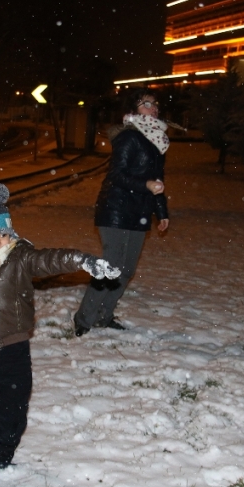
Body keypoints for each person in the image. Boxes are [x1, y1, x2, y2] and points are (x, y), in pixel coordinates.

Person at [0, 181, 120, 468]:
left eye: (3, 233)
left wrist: (83, 260)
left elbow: (51, 259)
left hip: (14, 353)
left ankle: (1, 456)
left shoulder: (20, 259)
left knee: (12, 411)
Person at [73, 88, 170, 337]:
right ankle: (84, 318)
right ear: (133, 111)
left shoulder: (157, 140)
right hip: (115, 211)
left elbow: (158, 180)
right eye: (146, 104)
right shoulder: (130, 138)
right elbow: (116, 175)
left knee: (126, 270)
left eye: (154, 104)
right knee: (111, 267)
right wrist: (145, 185)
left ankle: (105, 316)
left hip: (139, 213)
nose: (153, 108)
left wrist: (162, 212)